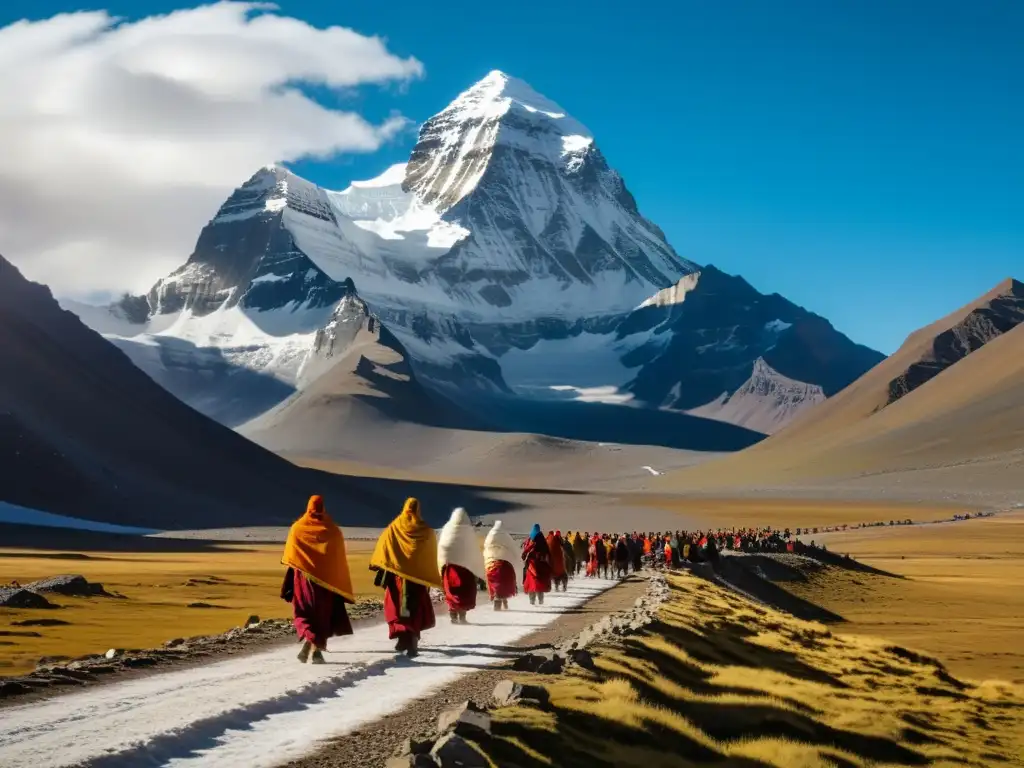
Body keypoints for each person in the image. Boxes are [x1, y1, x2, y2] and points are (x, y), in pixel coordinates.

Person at [281, 495, 356, 664]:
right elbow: (337, 559)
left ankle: (310, 641)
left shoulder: (297, 528)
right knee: (322, 614)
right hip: (326, 582)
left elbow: (292, 557)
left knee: (304, 611)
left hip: (303, 580)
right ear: (323, 508)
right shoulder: (332, 530)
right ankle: (316, 650)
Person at [371, 497, 442, 658]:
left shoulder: (393, 528)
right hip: (416, 580)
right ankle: (411, 640)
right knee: (413, 608)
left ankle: (403, 638)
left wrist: (381, 565)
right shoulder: (426, 531)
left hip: (397, 578)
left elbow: (384, 547)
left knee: (397, 607)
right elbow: (429, 555)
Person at [437, 507, 486, 624]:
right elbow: (474, 550)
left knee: (451, 592)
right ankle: (462, 618)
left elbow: (442, 547)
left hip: (450, 568)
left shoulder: (447, 529)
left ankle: (453, 617)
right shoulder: (469, 532)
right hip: (466, 569)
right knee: (464, 592)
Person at [484, 520, 518, 610]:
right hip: (504, 564)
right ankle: (503, 604)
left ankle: (499, 604)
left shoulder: (489, 535)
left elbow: (485, 548)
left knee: (495, 585)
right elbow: (513, 548)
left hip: (490, 564)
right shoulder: (506, 536)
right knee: (504, 583)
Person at [522, 524, 552, 604]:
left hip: (532, 564)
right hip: (541, 565)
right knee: (540, 582)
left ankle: (532, 601)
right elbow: (548, 552)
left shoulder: (531, 539)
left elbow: (526, 550)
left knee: (531, 581)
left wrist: (524, 556)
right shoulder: (542, 539)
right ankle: (541, 600)